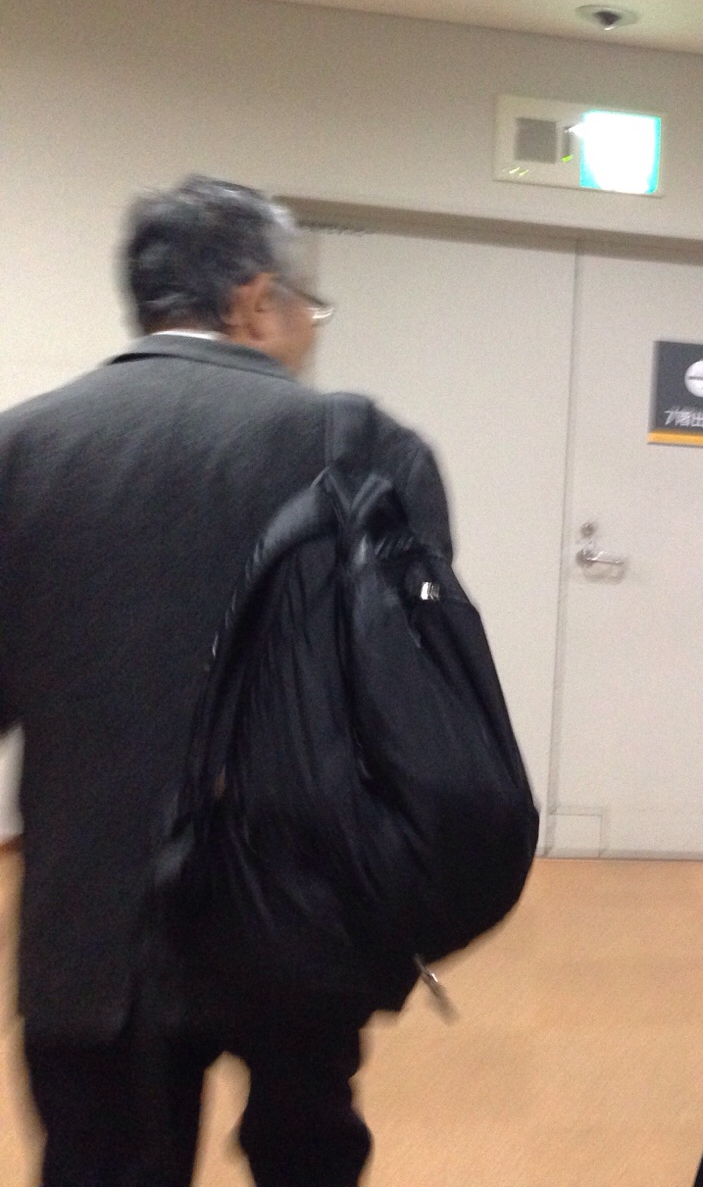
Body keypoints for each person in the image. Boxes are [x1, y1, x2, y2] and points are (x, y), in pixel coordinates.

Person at [0, 175, 453, 1186]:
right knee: (305, 1157)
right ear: (255, 302)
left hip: (91, 927)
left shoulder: (19, 451)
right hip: (303, 910)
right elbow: (418, 703)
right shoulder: (366, 450)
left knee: (102, 1163)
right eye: (308, 310)